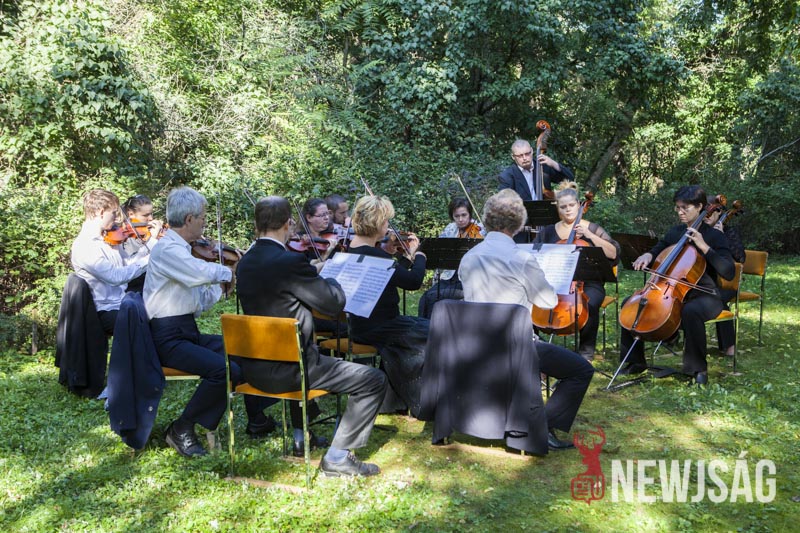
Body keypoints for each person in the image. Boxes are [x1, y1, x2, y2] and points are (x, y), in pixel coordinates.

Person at [236, 196, 387, 477]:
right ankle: (338, 457)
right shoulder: (289, 261)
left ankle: (300, 436)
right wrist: (330, 279)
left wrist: (311, 274)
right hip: (295, 370)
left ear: (257, 225)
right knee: (373, 380)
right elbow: (333, 302)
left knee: (300, 347)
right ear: (287, 224)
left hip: (254, 369)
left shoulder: (245, 263)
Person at [458, 188, 594, 450]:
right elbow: (548, 302)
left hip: (475, 343)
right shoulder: (521, 258)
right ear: (519, 224)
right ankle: (543, 425)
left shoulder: (468, 257)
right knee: (581, 370)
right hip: (515, 347)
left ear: (487, 220)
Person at [144, 187, 273, 457]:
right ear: (189, 219)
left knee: (245, 352)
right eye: (202, 218)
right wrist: (228, 270)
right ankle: (181, 428)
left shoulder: (184, 251)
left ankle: (257, 419)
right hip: (166, 338)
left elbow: (199, 301)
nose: (205, 223)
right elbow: (198, 273)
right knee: (224, 371)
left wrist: (223, 285)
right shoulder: (168, 249)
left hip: (186, 331)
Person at [619, 185, 735, 385]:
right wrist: (648, 255)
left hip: (705, 296)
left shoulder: (714, 236)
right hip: (672, 292)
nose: (680, 212)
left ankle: (697, 370)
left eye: (685, 208)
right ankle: (635, 362)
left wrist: (703, 246)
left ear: (700, 207)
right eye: (677, 208)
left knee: (691, 311)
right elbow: (659, 248)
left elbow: (729, 271)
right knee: (629, 304)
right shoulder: (675, 232)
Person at [347, 195, 428, 415]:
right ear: (377, 223)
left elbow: (392, 275)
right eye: (385, 221)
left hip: (358, 326)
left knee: (424, 326)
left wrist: (403, 257)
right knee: (435, 331)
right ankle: (422, 399)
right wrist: (419, 255)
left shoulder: (351, 250)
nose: (387, 226)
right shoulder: (376, 256)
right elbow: (412, 282)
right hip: (383, 327)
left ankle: (394, 400)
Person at [533, 182, 620, 361]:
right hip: (555, 282)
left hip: (588, 282)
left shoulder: (593, 228)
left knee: (590, 302)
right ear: (558, 209)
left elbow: (613, 253)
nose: (567, 210)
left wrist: (590, 235)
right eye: (563, 207)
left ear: (579, 205)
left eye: (571, 205)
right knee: (528, 299)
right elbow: (534, 255)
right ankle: (535, 346)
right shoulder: (548, 231)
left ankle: (586, 353)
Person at [71, 189, 153, 335]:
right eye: (114, 213)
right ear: (101, 212)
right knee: (148, 326)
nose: (116, 219)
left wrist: (150, 248)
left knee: (162, 313)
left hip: (122, 303)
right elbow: (115, 277)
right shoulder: (85, 245)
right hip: (104, 312)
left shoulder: (106, 239)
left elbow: (126, 264)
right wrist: (149, 260)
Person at [417, 198, 485, 319]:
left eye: (464, 215)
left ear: (470, 214)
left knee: (434, 297)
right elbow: (439, 249)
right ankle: (425, 326)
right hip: (449, 276)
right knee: (426, 297)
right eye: (456, 216)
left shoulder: (481, 229)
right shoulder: (450, 228)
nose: (461, 219)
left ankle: (433, 325)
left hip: (468, 279)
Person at [704, 196, 746, 357]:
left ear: (719, 212)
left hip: (727, 284)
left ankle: (729, 345)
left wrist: (722, 238)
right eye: (704, 212)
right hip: (705, 282)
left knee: (718, 299)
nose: (707, 216)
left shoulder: (729, 232)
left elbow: (741, 257)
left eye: (711, 212)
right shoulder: (700, 232)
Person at [121, 194, 165, 293]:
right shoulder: (126, 237)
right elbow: (132, 267)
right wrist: (152, 239)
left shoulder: (147, 231)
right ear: (131, 214)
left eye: (151, 214)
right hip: (135, 289)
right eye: (145, 215)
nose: (151, 218)